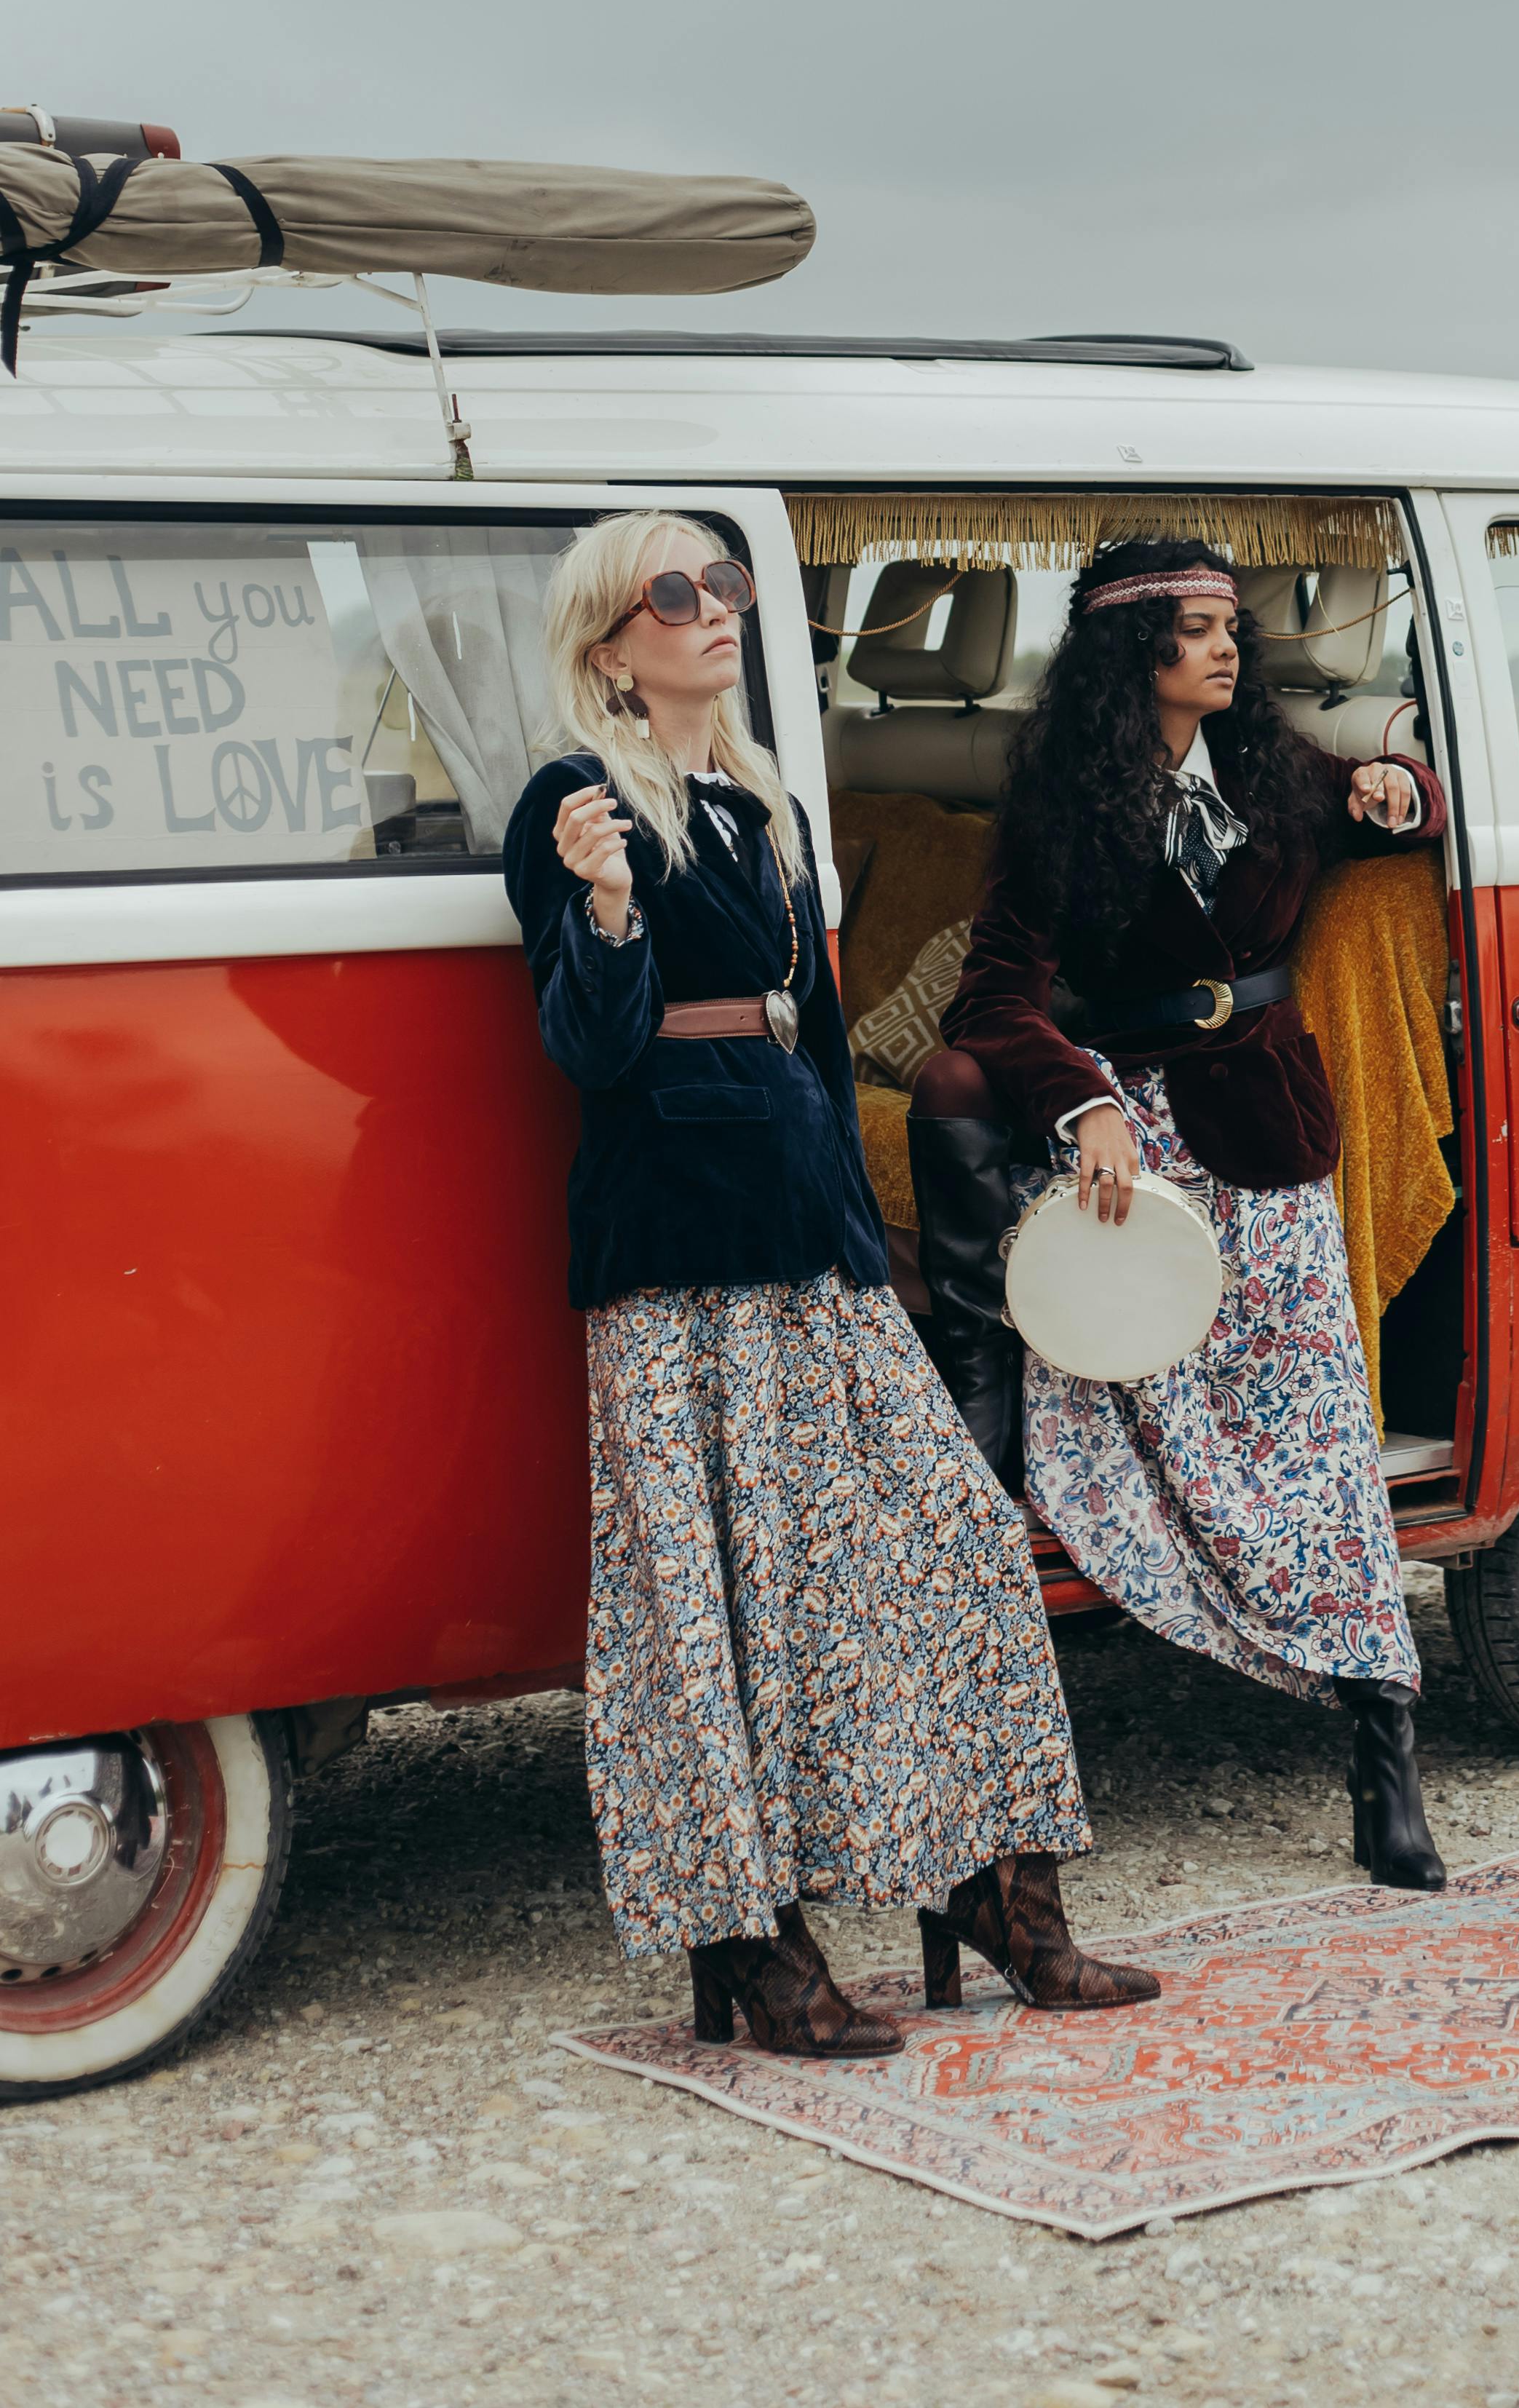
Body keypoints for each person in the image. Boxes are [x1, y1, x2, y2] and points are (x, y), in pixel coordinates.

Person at [501, 510, 1157, 2053]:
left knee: (959, 1540)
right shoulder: (576, 801)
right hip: (676, 1251)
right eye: (678, 590)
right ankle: (750, 1940)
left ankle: (999, 1893)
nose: (717, 608)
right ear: (612, 641)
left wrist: (861, 1219)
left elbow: (807, 1015)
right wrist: (602, 910)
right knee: (711, 1605)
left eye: (727, 582)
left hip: (808, 1226)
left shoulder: (757, 796)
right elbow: (589, 1055)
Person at [908, 535, 1451, 1891]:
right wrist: (1079, 1095)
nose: (1226, 646)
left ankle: (1383, 1751)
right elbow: (991, 1004)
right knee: (1120, 1415)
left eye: (1230, 627)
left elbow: (1422, 808)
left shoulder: (1278, 772)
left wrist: (1400, 786)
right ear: (1127, 654)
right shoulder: (1062, 808)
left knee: (1320, 1441)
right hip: (1132, 1147)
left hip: (1268, 1129)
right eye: (1196, 629)